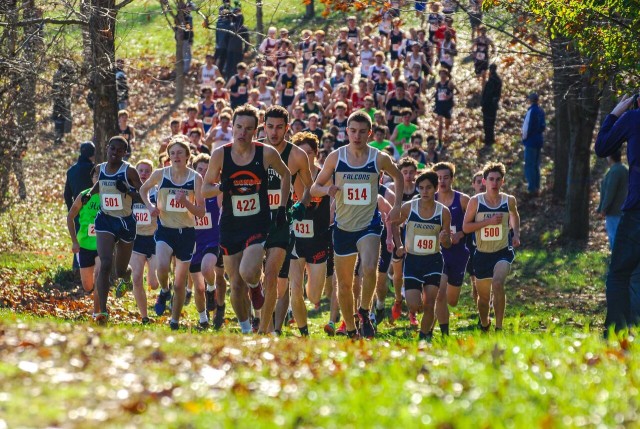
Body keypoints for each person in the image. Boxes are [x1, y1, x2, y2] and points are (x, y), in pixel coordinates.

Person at [310, 111, 404, 339]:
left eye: (362, 132)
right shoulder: (336, 157)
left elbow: (399, 177)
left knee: (369, 268)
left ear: (369, 133)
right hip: (343, 227)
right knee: (343, 284)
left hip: (369, 225)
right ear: (347, 131)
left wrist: (397, 206)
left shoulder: (378, 158)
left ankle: (364, 310)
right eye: (353, 131)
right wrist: (327, 190)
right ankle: (351, 329)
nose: (357, 136)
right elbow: (314, 188)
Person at [202, 105, 291, 335]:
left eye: (248, 128)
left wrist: (281, 207)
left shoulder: (266, 153)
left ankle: (256, 285)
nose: (242, 132)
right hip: (231, 225)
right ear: (232, 127)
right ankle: (245, 329)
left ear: (255, 131)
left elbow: (286, 175)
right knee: (235, 283)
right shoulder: (220, 154)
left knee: (248, 271)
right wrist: (222, 186)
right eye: (239, 127)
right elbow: (204, 190)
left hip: (258, 223)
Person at [140, 137, 205, 330]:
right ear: (168, 156)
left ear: (187, 156)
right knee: (161, 266)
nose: (176, 156)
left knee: (180, 283)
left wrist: (185, 202)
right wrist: (150, 206)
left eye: (180, 153)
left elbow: (201, 212)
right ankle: (164, 290)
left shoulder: (196, 178)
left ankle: (174, 320)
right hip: (165, 230)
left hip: (186, 233)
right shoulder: (161, 174)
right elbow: (143, 190)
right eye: (172, 153)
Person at [259, 105, 312, 335]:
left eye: (279, 127)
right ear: (264, 127)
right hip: (254, 219)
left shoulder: (297, 155)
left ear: (287, 128)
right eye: (270, 127)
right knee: (254, 275)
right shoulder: (255, 149)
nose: (274, 132)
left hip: (282, 221)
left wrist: (301, 205)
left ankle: (270, 329)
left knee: (277, 281)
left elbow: (311, 187)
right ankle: (263, 323)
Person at [594, 93, 640, 332]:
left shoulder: (633, 118)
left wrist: (614, 114)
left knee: (620, 272)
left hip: (637, 210)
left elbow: (602, 147)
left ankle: (617, 329)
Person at [86, 136, 143, 324]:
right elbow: (99, 184)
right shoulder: (100, 168)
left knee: (119, 271)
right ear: (107, 147)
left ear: (125, 153)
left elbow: (142, 197)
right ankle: (102, 311)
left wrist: (127, 190)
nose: (115, 153)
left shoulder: (130, 171)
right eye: (113, 148)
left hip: (125, 223)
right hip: (105, 220)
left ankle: (126, 277)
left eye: (120, 150)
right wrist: (89, 194)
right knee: (105, 263)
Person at [393, 170, 452, 341]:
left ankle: (424, 336)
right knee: (413, 304)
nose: (424, 191)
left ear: (435, 189)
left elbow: (447, 243)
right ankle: (426, 330)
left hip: (433, 260)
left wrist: (445, 238)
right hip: (412, 260)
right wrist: (399, 245)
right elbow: (395, 225)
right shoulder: (409, 207)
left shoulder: (443, 212)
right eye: (421, 188)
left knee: (430, 302)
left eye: (428, 188)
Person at [463, 162, 520, 332]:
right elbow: (466, 227)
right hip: (481, 254)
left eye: (498, 179)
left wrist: (516, 234)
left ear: (502, 182)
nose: (494, 183)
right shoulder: (475, 201)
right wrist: (487, 222)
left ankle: (499, 327)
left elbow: (515, 216)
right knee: (483, 299)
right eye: (491, 179)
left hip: (502, 252)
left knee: (497, 283)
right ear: (484, 182)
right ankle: (485, 322)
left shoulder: (509, 200)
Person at [288, 132, 331, 336]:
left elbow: (327, 192)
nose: (305, 157)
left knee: (314, 295)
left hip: (318, 240)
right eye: (301, 153)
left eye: (309, 153)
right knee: (294, 290)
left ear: (316, 153)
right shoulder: (289, 176)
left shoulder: (325, 175)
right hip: (295, 239)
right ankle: (303, 331)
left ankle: (310, 285)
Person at [434, 162, 470, 336]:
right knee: (439, 293)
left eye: (446, 177)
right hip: (437, 253)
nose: (442, 181)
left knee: (452, 300)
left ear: (452, 179)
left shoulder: (463, 200)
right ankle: (443, 334)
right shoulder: (429, 200)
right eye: (439, 178)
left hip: (458, 253)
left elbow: (474, 224)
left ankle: (436, 319)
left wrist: (461, 233)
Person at [66, 166, 101, 317]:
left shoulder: (111, 197)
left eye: (102, 176)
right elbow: (70, 217)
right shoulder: (84, 195)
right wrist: (74, 241)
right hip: (84, 245)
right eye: (96, 176)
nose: (99, 178)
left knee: (100, 278)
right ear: (92, 178)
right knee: (88, 286)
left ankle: (98, 311)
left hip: (103, 245)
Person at [128, 160, 159, 324]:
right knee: (136, 278)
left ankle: (153, 276)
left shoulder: (155, 192)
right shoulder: (130, 192)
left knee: (154, 284)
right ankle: (144, 316)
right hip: (136, 240)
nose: (143, 174)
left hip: (154, 240)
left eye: (147, 171)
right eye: (141, 170)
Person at [597, 150, 628, 250]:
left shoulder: (614, 171)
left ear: (610, 157)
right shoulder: (625, 169)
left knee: (614, 237)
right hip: (624, 210)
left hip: (614, 211)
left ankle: (617, 261)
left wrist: (604, 208)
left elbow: (610, 192)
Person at [522, 92, 546, 196]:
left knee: (529, 165)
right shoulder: (541, 111)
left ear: (530, 100)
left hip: (531, 141)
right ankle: (537, 186)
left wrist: (524, 139)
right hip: (539, 140)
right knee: (536, 165)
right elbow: (543, 126)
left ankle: (532, 188)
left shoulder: (531, 111)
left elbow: (526, 128)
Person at [65, 142, 96, 211]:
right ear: (93, 154)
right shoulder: (94, 169)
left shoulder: (71, 171)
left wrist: (72, 212)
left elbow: (67, 195)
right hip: (93, 211)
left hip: (78, 212)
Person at [51, 60, 74, 145]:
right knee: (60, 120)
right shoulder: (61, 75)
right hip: (61, 101)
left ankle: (60, 137)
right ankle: (58, 138)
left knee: (61, 120)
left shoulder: (58, 74)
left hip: (61, 100)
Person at [481, 64, 502, 147]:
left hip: (489, 105)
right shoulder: (497, 80)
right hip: (493, 104)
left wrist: (484, 103)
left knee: (487, 123)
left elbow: (488, 94)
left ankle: (488, 139)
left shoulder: (492, 81)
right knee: (491, 122)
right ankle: (490, 138)